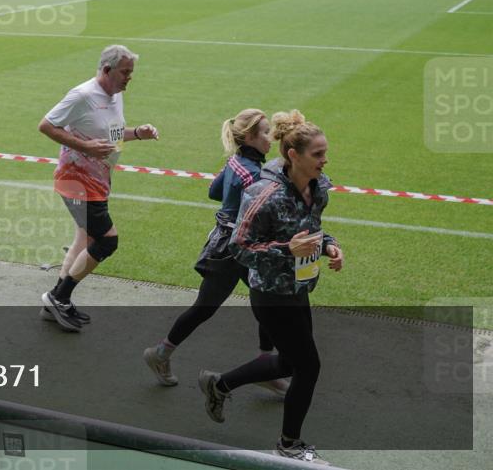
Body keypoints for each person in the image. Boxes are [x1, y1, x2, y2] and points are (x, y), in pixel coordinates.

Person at [198, 110, 344, 465]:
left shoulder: (319, 187)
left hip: (298, 286)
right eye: (318, 154)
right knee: (308, 367)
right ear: (294, 155)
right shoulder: (264, 193)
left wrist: (328, 245)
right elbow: (239, 246)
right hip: (270, 294)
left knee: (288, 364)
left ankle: (220, 384)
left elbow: (313, 228)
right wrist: (285, 250)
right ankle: (289, 444)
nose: (326, 161)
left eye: (325, 153)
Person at [144, 109, 283, 395]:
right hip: (233, 251)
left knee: (269, 304)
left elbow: (214, 191)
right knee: (208, 308)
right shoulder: (254, 173)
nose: (272, 138)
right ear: (250, 137)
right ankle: (160, 354)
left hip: (229, 245)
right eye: (266, 132)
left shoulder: (237, 162)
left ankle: (265, 366)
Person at [38, 44, 158, 332]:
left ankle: (54, 304)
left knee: (83, 239)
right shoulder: (82, 95)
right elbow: (46, 125)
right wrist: (84, 146)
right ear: (107, 70)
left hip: (98, 181)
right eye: (125, 72)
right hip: (76, 182)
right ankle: (58, 297)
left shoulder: (115, 96)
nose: (130, 77)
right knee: (106, 241)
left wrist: (137, 134)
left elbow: (111, 135)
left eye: (131, 72)